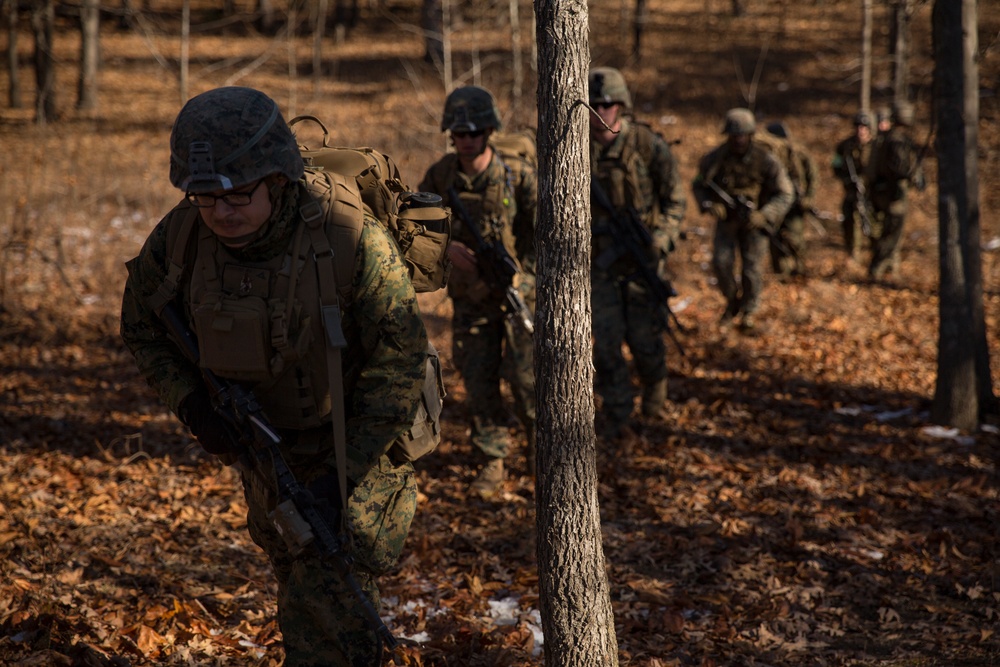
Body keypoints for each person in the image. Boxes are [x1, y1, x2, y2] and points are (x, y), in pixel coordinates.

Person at [120, 86, 429, 666]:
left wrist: (342, 472)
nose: (221, 212)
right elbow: (141, 327)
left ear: (279, 180)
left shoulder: (348, 237)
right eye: (205, 197)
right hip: (265, 447)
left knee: (331, 601)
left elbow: (402, 358)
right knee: (296, 579)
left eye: (238, 195)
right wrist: (193, 405)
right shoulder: (182, 238)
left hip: (357, 440)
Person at [418, 85, 536, 497]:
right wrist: (446, 246)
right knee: (479, 382)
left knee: (527, 382)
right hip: (470, 301)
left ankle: (544, 456)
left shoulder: (516, 175)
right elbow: (416, 227)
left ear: (489, 131)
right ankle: (492, 462)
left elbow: (544, 234)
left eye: (474, 132)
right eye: (458, 133)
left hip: (516, 296)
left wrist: (527, 279)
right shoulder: (441, 175)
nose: (466, 140)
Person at [588, 66, 686, 439]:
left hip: (644, 258)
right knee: (607, 345)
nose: (604, 109)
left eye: (610, 103)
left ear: (622, 105)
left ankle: (654, 405)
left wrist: (660, 239)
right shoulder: (574, 151)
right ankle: (617, 416)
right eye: (597, 103)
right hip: (601, 265)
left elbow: (675, 200)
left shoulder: (647, 145)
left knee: (646, 343)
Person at [691, 108, 794, 331]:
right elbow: (699, 185)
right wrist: (709, 205)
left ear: (751, 135)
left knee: (752, 269)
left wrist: (764, 215)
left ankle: (749, 312)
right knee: (721, 263)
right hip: (727, 222)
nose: (738, 140)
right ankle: (732, 301)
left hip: (754, 223)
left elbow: (785, 193)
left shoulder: (766, 159)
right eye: (734, 135)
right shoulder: (715, 159)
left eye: (743, 135)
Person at [864, 100, 926, 280]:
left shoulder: (888, 138)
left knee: (889, 232)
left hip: (885, 192)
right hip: (893, 194)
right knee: (891, 234)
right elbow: (898, 169)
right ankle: (877, 270)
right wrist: (911, 174)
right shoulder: (896, 140)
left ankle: (889, 269)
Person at [761, 121, 818, 277]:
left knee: (795, 238)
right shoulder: (765, 156)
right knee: (774, 237)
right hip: (773, 202)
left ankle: (799, 268)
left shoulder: (798, 153)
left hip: (795, 204)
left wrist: (808, 198)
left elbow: (813, 176)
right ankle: (781, 273)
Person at [832, 110, 876, 263]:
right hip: (852, 191)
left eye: (864, 126)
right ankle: (853, 254)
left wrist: (866, 181)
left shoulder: (876, 146)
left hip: (873, 192)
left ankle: (876, 256)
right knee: (850, 222)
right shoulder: (844, 146)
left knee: (874, 224)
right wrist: (848, 180)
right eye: (858, 126)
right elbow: (836, 165)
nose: (860, 130)